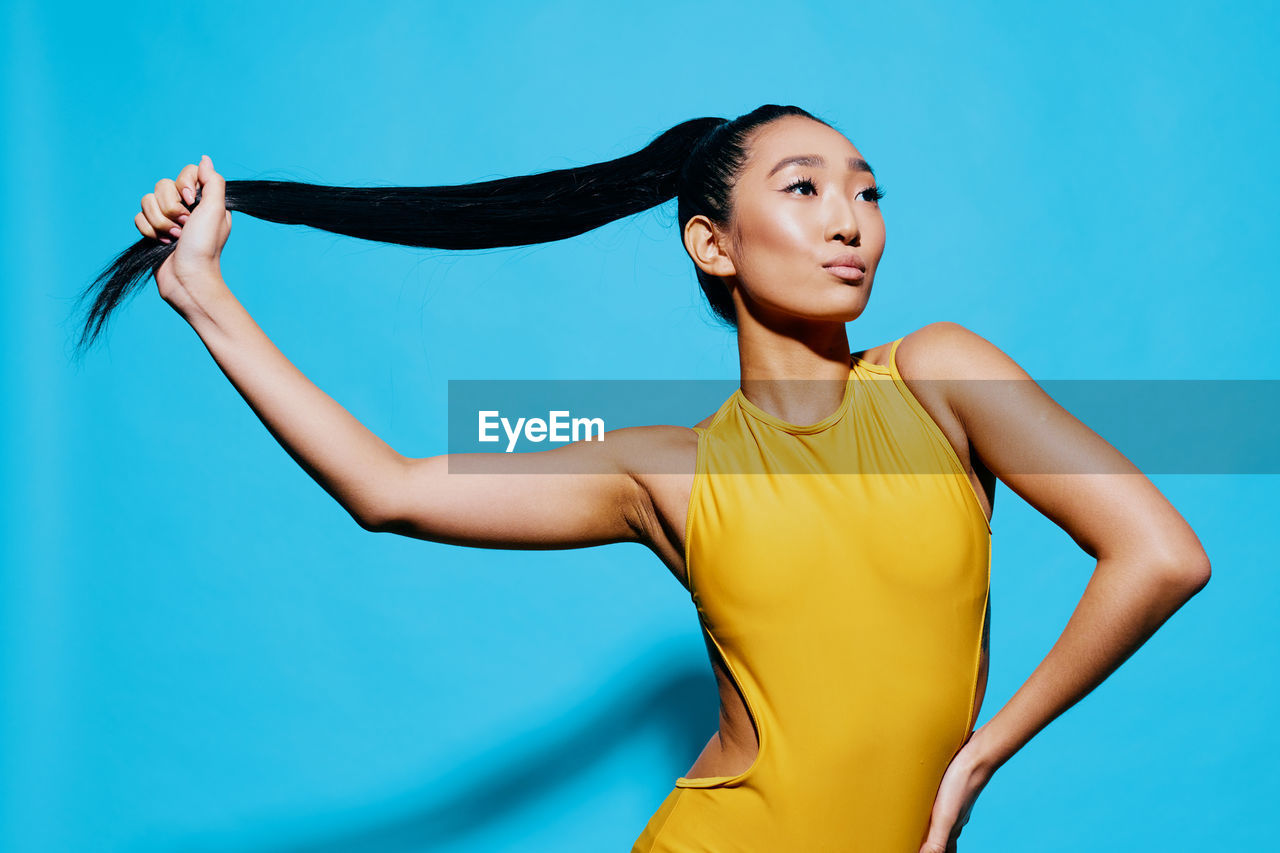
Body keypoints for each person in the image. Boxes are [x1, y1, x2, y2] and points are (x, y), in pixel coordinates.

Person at [119, 106, 1210, 852]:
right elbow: (388, 489)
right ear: (712, 244)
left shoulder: (939, 375)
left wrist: (981, 755)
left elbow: (1160, 556)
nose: (851, 221)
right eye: (805, 188)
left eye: (867, 193)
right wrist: (204, 292)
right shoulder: (664, 469)